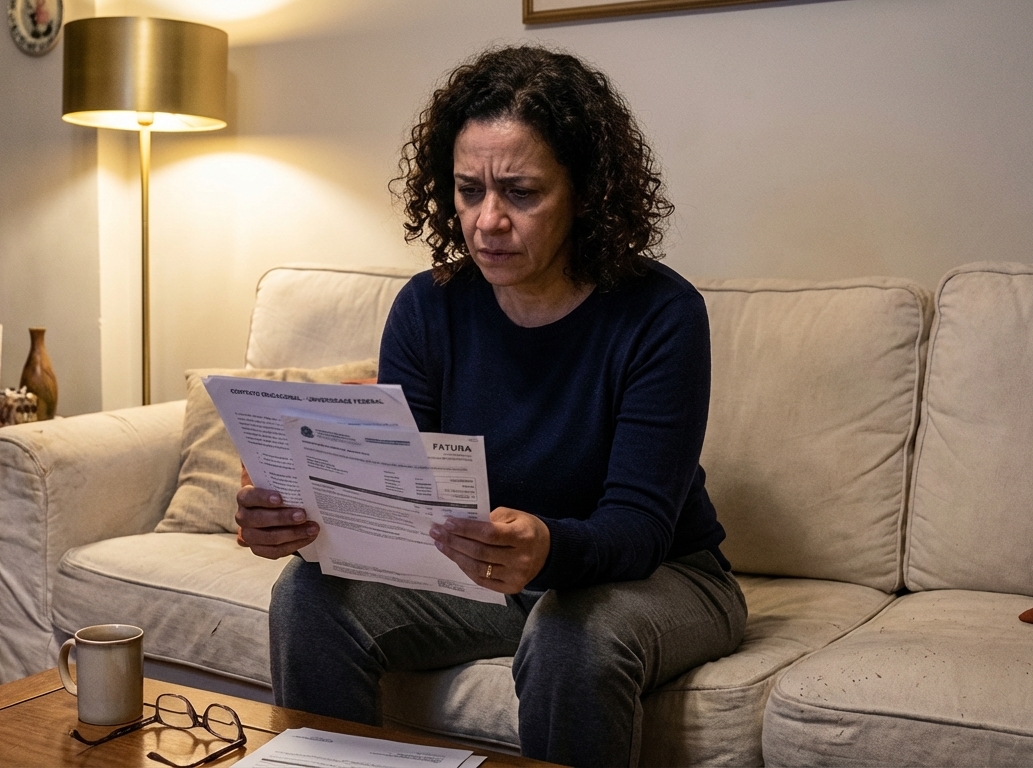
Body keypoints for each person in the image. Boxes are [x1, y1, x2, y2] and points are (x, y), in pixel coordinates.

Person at [235, 46, 747, 765]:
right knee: (309, 596)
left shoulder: (660, 315)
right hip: (482, 575)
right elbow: (402, 502)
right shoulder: (428, 308)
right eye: (469, 190)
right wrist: (299, 511)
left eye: (522, 192)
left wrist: (547, 546)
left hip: (661, 576)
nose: (487, 221)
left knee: (574, 632)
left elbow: (637, 531)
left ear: (586, 191)